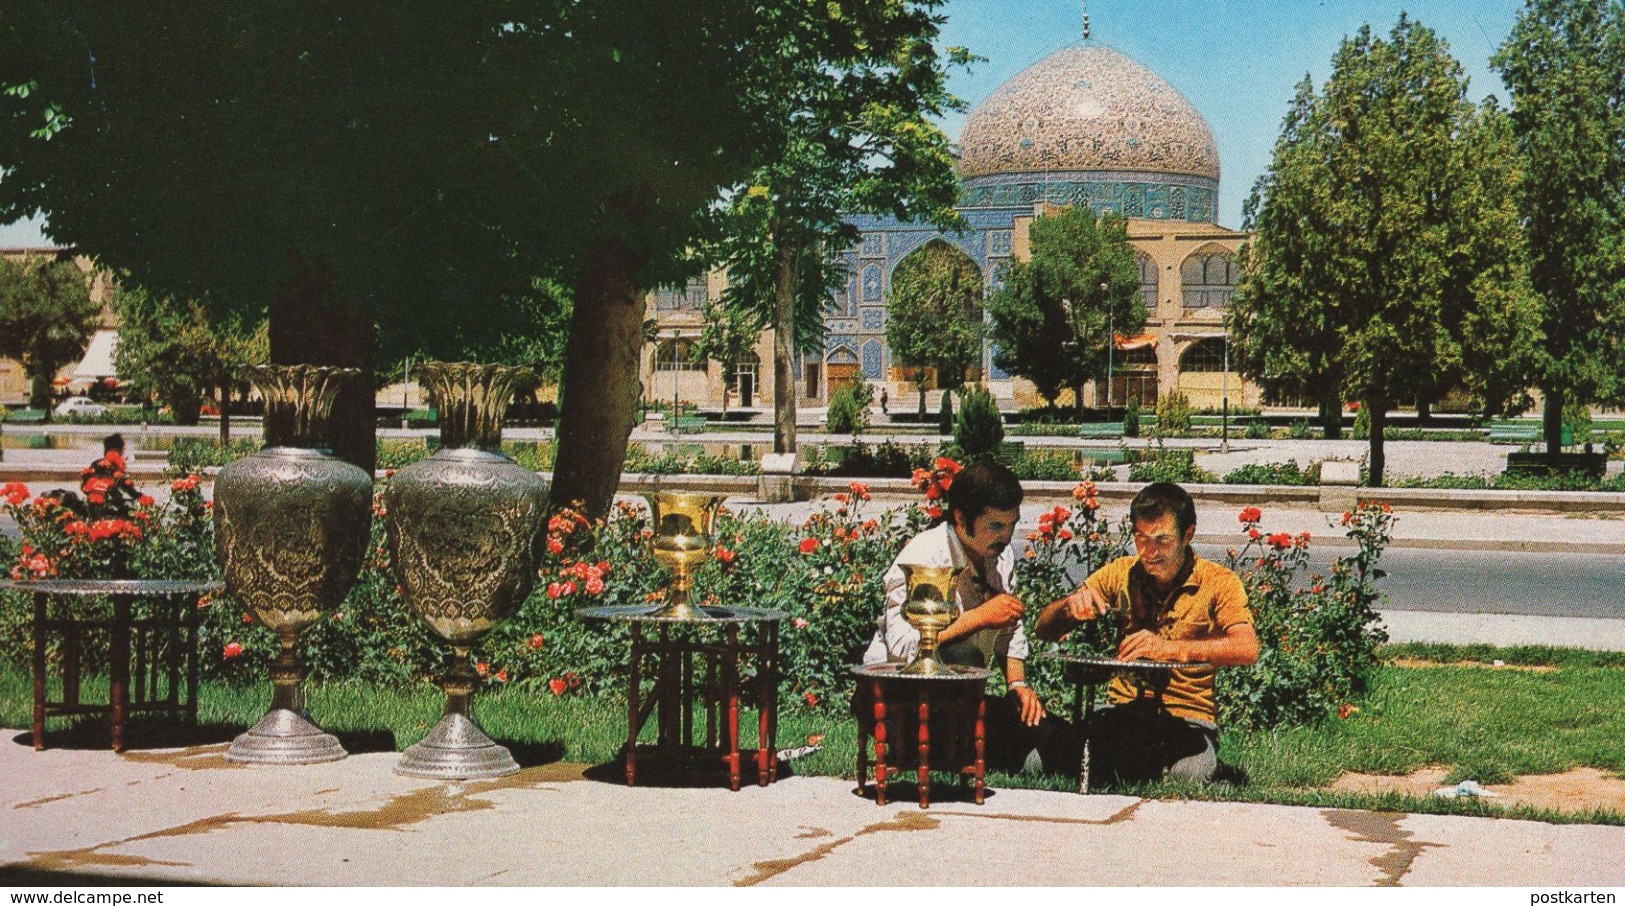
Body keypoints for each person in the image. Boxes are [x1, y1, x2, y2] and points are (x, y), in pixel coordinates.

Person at [1035, 481, 1258, 784]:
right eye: (1140, 539)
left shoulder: (1219, 582)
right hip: (1121, 711)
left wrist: (1170, 650)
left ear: (1187, 534)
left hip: (1186, 719)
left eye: (1162, 541)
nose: (1149, 552)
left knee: (1187, 776)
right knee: (1041, 760)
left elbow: (1246, 648)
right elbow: (1042, 629)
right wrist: (1069, 608)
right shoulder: (1121, 572)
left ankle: (1120, 767)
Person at [862, 459, 1068, 773]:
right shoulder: (926, 556)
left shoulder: (999, 555)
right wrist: (980, 617)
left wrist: (1017, 685)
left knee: (1054, 733)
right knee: (1027, 750)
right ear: (961, 518)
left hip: (960, 695)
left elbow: (1009, 629)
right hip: (899, 697)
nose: (1005, 536)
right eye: (995, 526)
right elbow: (903, 648)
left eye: (1011, 525)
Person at [79, 433, 141, 515]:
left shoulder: (96, 463)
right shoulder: (117, 463)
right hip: (107, 506)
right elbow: (128, 489)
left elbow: (84, 485)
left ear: (105, 450)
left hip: (91, 504)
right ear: (120, 449)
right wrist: (142, 498)